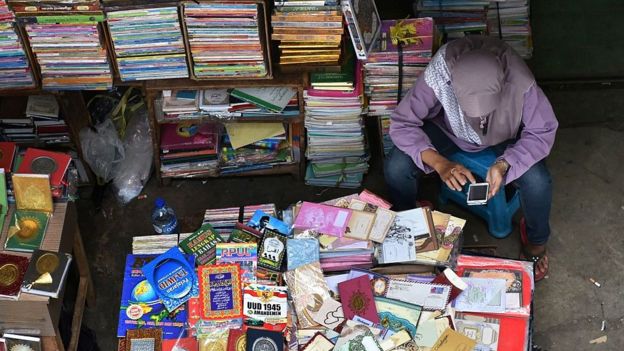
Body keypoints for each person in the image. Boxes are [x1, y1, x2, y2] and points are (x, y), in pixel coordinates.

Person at [384, 35, 558, 281]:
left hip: (504, 138)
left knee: (538, 182)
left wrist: (504, 163)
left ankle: (536, 244)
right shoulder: (439, 73)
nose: (478, 119)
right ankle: (411, 221)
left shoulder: (521, 82)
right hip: (448, 131)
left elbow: (542, 130)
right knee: (396, 166)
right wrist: (438, 162)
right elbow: (402, 123)